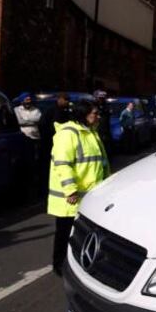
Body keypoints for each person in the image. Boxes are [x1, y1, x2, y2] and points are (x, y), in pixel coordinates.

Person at [48, 99, 110, 276]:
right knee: (65, 232)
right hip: (71, 197)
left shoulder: (90, 132)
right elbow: (62, 163)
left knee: (82, 234)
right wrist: (70, 189)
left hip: (90, 195)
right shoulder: (68, 134)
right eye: (94, 113)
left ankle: (77, 262)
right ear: (84, 114)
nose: (97, 116)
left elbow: (100, 162)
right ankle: (59, 265)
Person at [14, 95, 43, 188]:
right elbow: (18, 121)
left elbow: (38, 119)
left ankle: (35, 179)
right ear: (22, 101)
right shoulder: (17, 109)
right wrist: (31, 121)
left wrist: (25, 121)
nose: (28, 102)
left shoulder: (36, 110)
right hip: (22, 138)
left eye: (29, 100)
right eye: (26, 100)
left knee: (34, 160)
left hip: (35, 138)